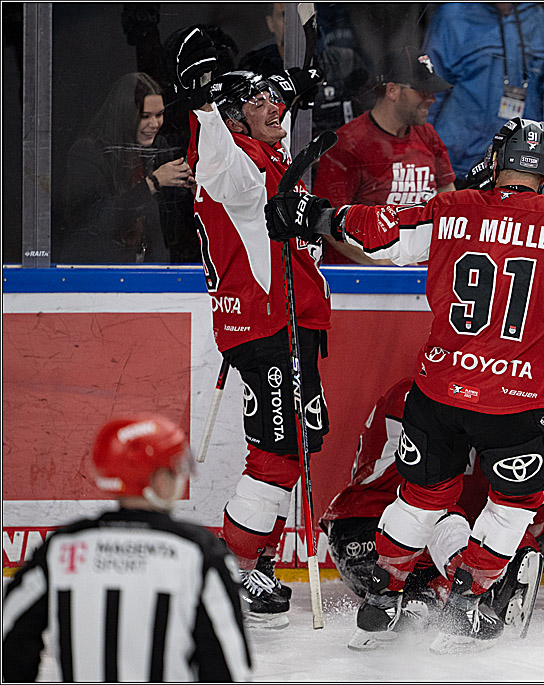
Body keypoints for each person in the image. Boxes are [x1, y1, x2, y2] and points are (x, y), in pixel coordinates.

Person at [265, 117, 544, 653]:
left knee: (419, 500)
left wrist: (315, 215)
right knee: (515, 504)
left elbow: (378, 231)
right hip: (513, 399)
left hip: (437, 391)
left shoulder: (450, 209)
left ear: (495, 158)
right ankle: (469, 596)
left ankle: (383, 593)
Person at [175, 27, 325, 626]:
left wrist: (303, 67)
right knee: (279, 449)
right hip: (265, 328)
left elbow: (286, 99)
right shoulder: (229, 165)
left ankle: (251, 558)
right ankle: (234, 564)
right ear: (233, 116)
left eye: (277, 101)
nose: (275, 109)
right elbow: (214, 147)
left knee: (296, 445)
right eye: (258, 102)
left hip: (291, 325)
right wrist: (203, 102)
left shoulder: (267, 158)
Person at [1, 414, 252, 682]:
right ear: (158, 481)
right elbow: (229, 669)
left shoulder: (62, 548)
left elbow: (10, 635)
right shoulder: (200, 554)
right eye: (175, 469)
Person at [318, 376, 544, 648]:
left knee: (428, 515)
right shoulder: (435, 393)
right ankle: (473, 593)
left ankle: (402, 611)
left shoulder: (426, 388)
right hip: (374, 524)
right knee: (433, 505)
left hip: (362, 553)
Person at [312, 46, 456, 265]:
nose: (432, 99)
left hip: (422, 275)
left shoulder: (427, 134)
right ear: (392, 91)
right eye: (423, 91)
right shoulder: (348, 145)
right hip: (364, 281)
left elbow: (448, 200)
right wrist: (388, 268)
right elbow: (327, 223)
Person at [58, 72, 194, 264]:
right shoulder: (88, 152)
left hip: (152, 273)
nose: (154, 124)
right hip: (95, 275)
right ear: (125, 113)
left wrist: (189, 185)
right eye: (145, 116)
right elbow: (94, 221)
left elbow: (173, 216)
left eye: (160, 115)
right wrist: (152, 183)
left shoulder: (159, 148)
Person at [422, 2, 544, 183]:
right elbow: (429, 89)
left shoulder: (537, 16)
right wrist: (422, 151)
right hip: (460, 162)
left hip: (521, 165)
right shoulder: (453, 15)